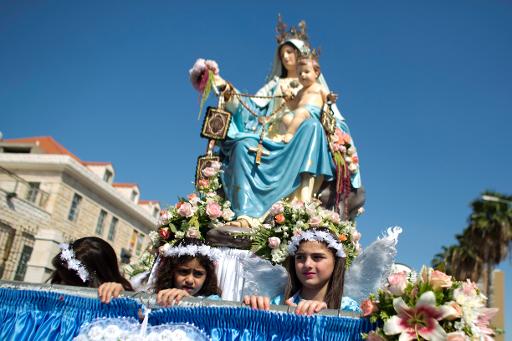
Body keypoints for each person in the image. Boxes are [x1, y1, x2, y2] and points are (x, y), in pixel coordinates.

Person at [211, 17, 363, 227]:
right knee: (242, 144)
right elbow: (252, 108)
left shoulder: (315, 87)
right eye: (282, 54)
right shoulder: (274, 86)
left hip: (300, 138)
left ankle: (299, 204)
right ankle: (246, 215)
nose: (286, 57)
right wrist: (229, 93)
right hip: (271, 136)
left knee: (310, 127)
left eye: (290, 52)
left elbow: (333, 118)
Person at [243, 228, 360, 315]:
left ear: (336, 262)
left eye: (317, 257)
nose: (307, 264)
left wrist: (327, 321)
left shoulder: (350, 310)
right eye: (300, 257)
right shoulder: (276, 304)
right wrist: (253, 315)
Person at [50, 236, 133, 304]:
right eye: (62, 280)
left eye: (70, 281)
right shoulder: (47, 302)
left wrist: (121, 297)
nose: (64, 287)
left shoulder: (119, 304)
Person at [280, 54, 338, 143]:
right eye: (299, 73)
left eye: (306, 72)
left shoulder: (319, 87)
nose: (302, 75)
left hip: (313, 112)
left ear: (316, 73)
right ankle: (299, 134)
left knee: (301, 112)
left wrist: (330, 97)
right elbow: (294, 106)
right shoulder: (300, 92)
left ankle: (290, 134)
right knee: (286, 117)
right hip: (299, 113)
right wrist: (287, 98)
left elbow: (327, 97)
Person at [154, 238, 221, 306]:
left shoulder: (213, 305)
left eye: (198, 274)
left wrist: (189, 303)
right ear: (171, 272)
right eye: (184, 271)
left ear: (207, 277)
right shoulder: (156, 299)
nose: (190, 280)